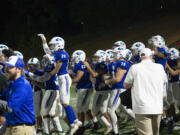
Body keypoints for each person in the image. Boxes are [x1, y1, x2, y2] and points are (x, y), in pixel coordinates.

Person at [124, 48, 168, 135]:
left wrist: (135, 83)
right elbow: (164, 82)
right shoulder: (159, 67)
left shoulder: (134, 68)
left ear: (140, 57)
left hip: (142, 107)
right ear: (151, 56)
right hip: (157, 106)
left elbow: (126, 85)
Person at [0, 55, 36, 135]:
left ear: (19, 69)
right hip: (11, 126)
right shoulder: (12, 84)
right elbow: (2, 98)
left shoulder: (22, 85)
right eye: (6, 67)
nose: (6, 70)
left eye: (10, 67)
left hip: (22, 128)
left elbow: (10, 107)